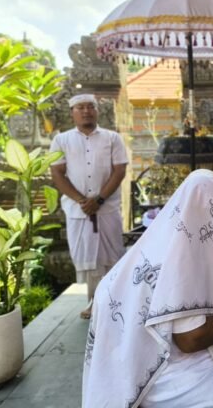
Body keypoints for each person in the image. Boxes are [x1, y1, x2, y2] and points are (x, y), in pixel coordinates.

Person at [82, 169, 213, 408]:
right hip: (156, 375)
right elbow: (190, 340)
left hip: (130, 363)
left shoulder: (164, 240)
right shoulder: (181, 259)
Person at [50, 94, 128, 319]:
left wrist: (99, 199)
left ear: (97, 111)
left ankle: (116, 300)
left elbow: (119, 170)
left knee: (113, 255)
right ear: (72, 113)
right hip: (78, 211)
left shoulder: (112, 138)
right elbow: (57, 172)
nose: (86, 111)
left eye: (90, 107)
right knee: (88, 260)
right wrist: (82, 200)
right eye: (80, 108)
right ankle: (94, 303)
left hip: (107, 210)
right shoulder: (61, 140)